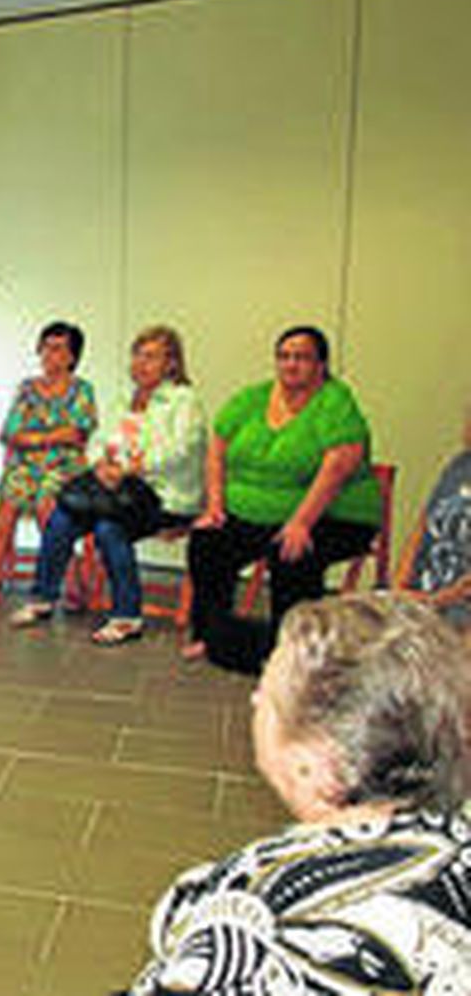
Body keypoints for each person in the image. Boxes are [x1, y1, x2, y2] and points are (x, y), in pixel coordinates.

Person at [124, 593, 471, 994]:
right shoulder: (451, 846)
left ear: (318, 761)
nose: (255, 699)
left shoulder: (266, 932)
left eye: (268, 695)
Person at [185, 326, 381, 673]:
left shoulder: (335, 401)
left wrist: (301, 522)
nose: (291, 364)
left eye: (301, 357)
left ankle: (293, 653)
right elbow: (217, 449)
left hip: (332, 513)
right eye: (284, 356)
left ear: (320, 365)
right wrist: (214, 507)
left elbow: (340, 464)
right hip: (255, 513)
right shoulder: (252, 398)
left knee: (292, 553)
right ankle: (210, 636)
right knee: (208, 541)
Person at [11, 326, 206, 644]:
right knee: (62, 518)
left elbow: (182, 451)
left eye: (151, 357)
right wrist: (100, 464)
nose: (140, 364)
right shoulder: (124, 398)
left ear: (171, 363)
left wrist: (130, 468)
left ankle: (127, 617)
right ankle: (43, 597)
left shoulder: (184, 400)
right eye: (137, 355)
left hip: (165, 496)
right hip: (118, 491)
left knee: (109, 528)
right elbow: (99, 441)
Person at [0, 320, 98, 605]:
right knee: (5, 507)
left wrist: (33, 438)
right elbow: (9, 433)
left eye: (57, 348)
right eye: (45, 347)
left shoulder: (82, 390)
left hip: (64, 467)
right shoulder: (27, 389)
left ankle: (70, 581)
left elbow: (78, 433)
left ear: (72, 356)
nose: (48, 354)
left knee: (47, 506)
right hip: (24, 466)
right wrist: (53, 436)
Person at [398, 401, 471, 631]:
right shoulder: (459, 466)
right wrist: (399, 586)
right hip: (422, 599)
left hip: (458, 611)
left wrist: (436, 600)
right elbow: (422, 527)